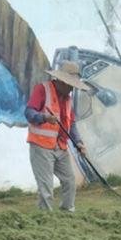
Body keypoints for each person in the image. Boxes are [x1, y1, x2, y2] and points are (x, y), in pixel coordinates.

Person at [24, 60, 88, 212]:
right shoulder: (42, 90)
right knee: (46, 187)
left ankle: (67, 213)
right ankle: (45, 219)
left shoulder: (68, 99)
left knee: (70, 181)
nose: (72, 89)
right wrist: (44, 118)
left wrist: (78, 142)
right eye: (70, 84)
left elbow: (71, 124)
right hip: (41, 146)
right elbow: (29, 112)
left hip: (60, 147)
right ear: (61, 81)